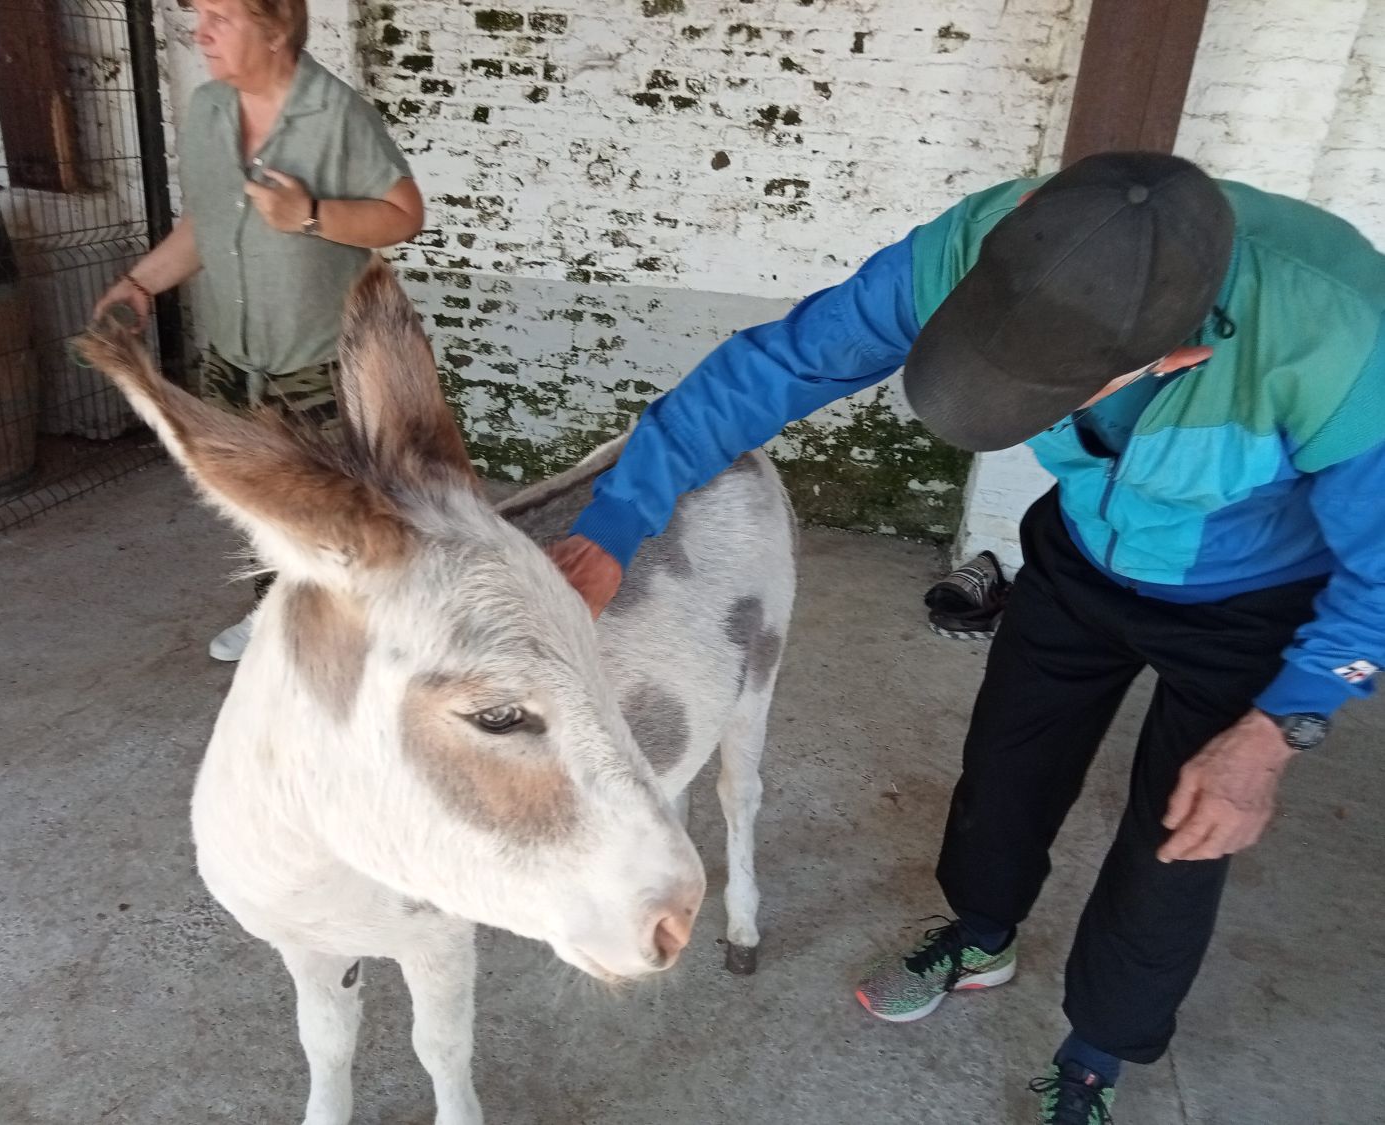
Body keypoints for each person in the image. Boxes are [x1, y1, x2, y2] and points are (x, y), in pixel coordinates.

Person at [549, 151, 1385, 1123]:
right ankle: (980, 935)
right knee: (1007, 762)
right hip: (1081, 549)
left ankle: (1095, 1056)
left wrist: (1285, 725)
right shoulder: (989, 239)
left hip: (1253, 594)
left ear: (1172, 360)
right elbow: (777, 367)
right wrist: (613, 525)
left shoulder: (1341, 342)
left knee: (1181, 836)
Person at [92, 0, 422, 661]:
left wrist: (308, 214)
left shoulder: (337, 115)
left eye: (221, 16)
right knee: (262, 504)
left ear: (274, 30)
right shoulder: (210, 112)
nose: (201, 33)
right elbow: (205, 226)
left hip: (322, 363)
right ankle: (276, 617)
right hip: (234, 360)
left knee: (341, 513)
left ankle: (365, 638)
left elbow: (403, 215)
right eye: (199, 16)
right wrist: (142, 282)